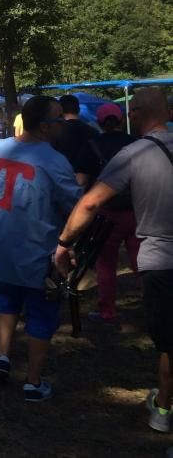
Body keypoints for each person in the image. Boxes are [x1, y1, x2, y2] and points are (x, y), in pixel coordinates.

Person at [55, 87, 172, 431]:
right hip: (154, 255)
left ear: (134, 113)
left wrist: (64, 243)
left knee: (169, 341)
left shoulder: (134, 154)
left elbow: (90, 202)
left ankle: (163, 410)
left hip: (162, 260)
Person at [0, 95, 81, 402]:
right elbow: (76, 205)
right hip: (38, 251)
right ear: (46, 126)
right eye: (58, 119)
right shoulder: (54, 161)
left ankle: (3, 356)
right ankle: (33, 382)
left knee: (6, 302)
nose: (62, 124)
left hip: (2, 246)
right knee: (41, 314)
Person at [77, 102, 138, 324]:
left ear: (100, 122)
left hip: (105, 213)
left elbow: (82, 180)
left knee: (105, 264)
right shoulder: (136, 143)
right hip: (135, 210)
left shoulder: (92, 145)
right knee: (141, 262)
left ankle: (107, 310)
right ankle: (154, 303)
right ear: (121, 120)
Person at [53, 94, 99, 185]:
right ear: (78, 109)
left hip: (61, 183)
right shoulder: (93, 131)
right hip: (89, 185)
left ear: (60, 111)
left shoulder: (55, 134)